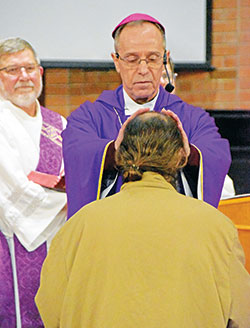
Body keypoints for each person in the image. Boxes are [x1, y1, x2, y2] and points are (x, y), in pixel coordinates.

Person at [36, 111, 250, 328]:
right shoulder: (217, 227)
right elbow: (242, 315)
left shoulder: (79, 225)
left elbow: (50, 307)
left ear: (120, 156)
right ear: (181, 156)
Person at [62, 13, 231, 219]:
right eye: (132, 60)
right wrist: (114, 149)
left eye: (152, 59)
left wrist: (189, 153)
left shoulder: (192, 117)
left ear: (165, 59)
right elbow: (76, 150)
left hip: (172, 227)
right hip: (113, 231)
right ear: (116, 61)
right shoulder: (89, 116)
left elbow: (216, 153)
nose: (143, 70)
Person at [0, 37, 67, 327]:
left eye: (29, 68)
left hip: (60, 242)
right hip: (13, 240)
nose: (23, 77)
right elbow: (13, 188)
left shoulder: (60, 124)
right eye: (13, 70)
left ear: (40, 73)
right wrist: (69, 197)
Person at [160, 53, 236, 199]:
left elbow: (222, 183)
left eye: (166, 76)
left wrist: (189, 156)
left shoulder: (194, 121)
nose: (163, 82)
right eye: (157, 76)